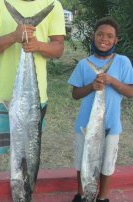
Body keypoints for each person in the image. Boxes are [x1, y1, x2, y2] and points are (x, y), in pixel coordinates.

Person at [0, 0, 65, 201]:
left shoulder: (54, 5)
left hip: (35, 98)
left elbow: (58, 49)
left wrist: (38, 45)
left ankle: (25, 189)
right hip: (2, 94)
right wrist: (14, 37)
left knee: (29, 149)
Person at [68, 17, 133, 202]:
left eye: (110, 36)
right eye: (100, 34)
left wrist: (111, 81)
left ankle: (102, 197)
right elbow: (75, 94)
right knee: (83, 161)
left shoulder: (123, 62)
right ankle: (82, 195)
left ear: (116, 40)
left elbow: (130, 91)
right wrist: (92, 86)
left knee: (107, 164)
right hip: (85, 125)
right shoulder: (84, 64)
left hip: (111, 125)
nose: (104, 39)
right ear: (93, 36)